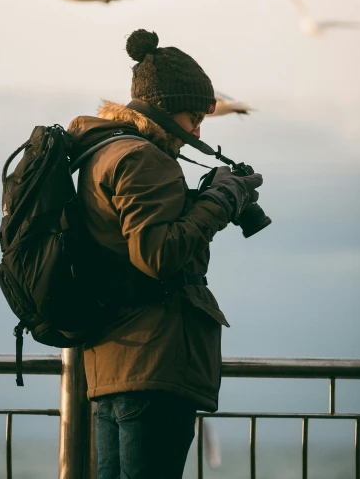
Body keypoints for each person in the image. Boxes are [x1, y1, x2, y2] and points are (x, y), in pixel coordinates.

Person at [67, 29, 263, 479]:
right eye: (194, 116)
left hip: (115, 360)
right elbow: (157, 256)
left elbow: (129, 240)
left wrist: (196, 202)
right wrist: (221, 201)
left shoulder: (104, 151)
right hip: (153, 363)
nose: (196, 130)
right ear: (164, 107)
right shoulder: (144, 157)